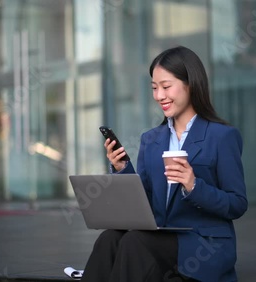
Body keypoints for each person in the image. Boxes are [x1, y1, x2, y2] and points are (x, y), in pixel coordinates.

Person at [81, 46, 247, 282]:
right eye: (154, 88)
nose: (159, 96)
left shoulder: (222, 137)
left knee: (134, 241)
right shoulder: (151, 139)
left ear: (190, 84)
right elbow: (145, 204)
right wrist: (123, 170)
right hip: (161, 237)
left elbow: (237, 204)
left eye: (166, 87)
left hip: (203, 244)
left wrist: (194, 186)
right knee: (109, 238)